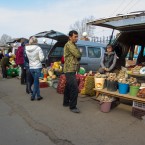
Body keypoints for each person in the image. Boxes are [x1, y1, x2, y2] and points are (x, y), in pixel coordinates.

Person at [63, 30, 82, 113]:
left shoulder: (73, 45)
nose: (76, 38)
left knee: (68, 86)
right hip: (69, 69)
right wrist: (79, 53)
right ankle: (73, 106)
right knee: (74, 88)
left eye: (77, 36)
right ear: (70, 37)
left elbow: (78, 55)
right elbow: (78, 55)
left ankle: (66, 102)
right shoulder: (69, 44)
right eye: (75, 37)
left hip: (72, 68)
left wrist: (79, 54)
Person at [25, 36, 44, 101]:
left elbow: (27, 58)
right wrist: (38, 58)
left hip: (31, 67)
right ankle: (33, 96)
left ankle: (38, 96)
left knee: (36, 82)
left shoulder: (26, 48)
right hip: (37, 67)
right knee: (36, 82)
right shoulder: (38, 48)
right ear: (36, 41)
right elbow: (41, 59)